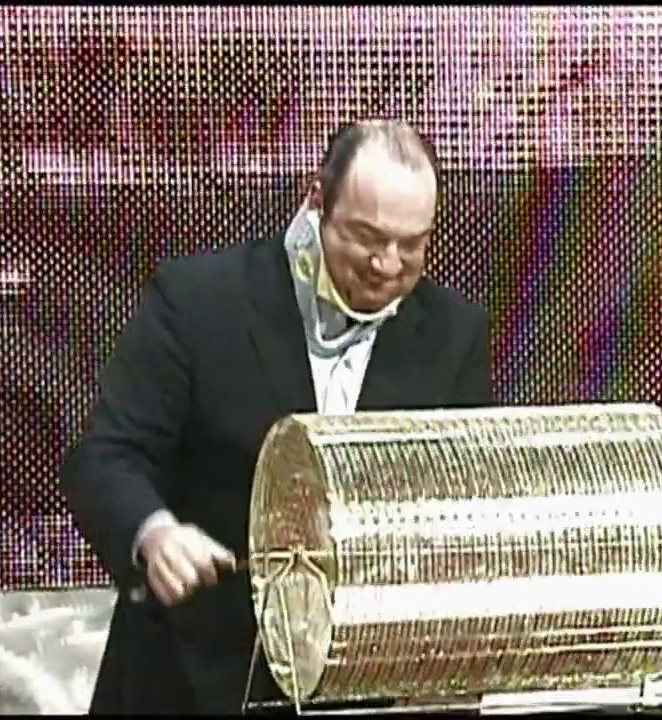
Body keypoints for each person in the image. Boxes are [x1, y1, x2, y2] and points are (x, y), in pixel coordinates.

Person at [59, 119, 495, 715]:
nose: (388, 265)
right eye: (366, 237)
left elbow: (463, 510)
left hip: (363, 690)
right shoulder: (198, 301)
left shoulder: (453, 335)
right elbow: (106, 454)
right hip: (189, 679)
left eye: (412, 244)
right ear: (316, 201)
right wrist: (154, 532)